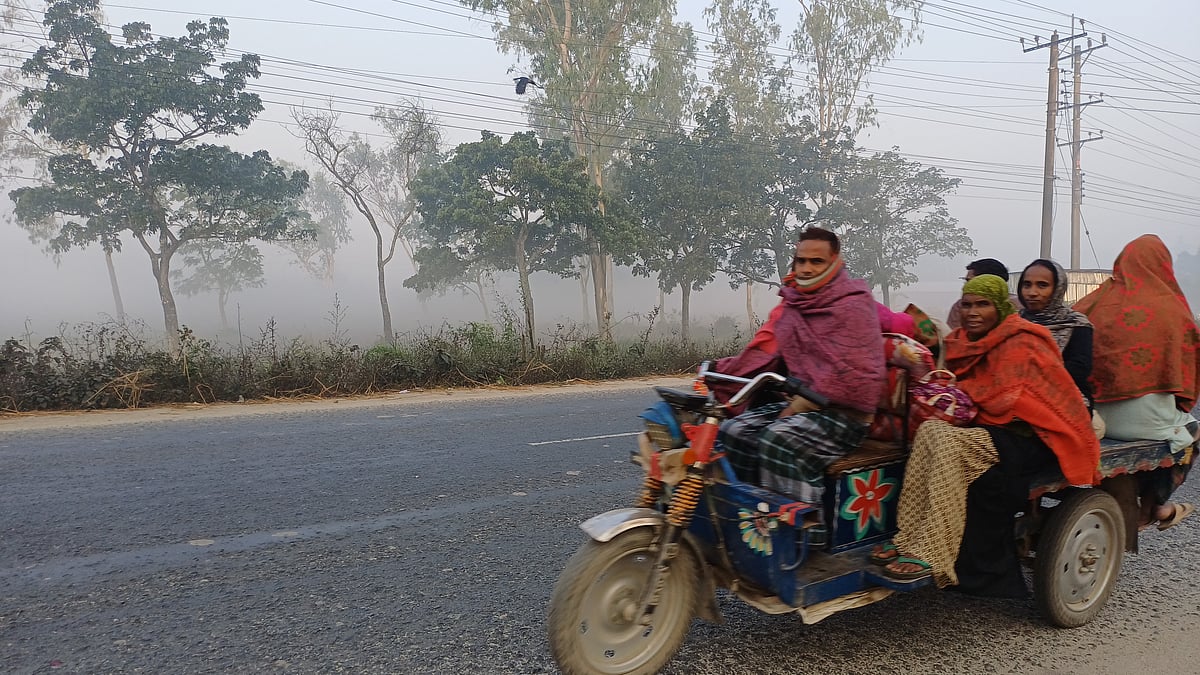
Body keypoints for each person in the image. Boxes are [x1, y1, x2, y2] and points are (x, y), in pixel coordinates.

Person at [876, 274, 1100, 590]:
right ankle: (907, 538)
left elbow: (1005, 395)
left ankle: (932, 553)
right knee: (930, 430)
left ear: (999, 308)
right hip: (986, 427)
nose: (972, 312)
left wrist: (957, 392)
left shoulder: (1023, 339)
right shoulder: (959, 341)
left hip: (1029, 434)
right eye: (967, 304)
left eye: (983, 304)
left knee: (943, 438)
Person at [713, 227, 885, 509]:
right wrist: (725, 371)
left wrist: (798, 406)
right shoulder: (796, 303)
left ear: (835, 262)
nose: (805, 269)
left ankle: (802, 532)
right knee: (734, 431)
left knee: (778, 440)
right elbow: (767, 352)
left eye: (816, 262)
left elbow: (859, 381)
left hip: (846, 417)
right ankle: (746, 515)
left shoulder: (853, 305)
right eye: (800, 261)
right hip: (802, 405)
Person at [1074, 234, 1200, 530]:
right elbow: (1190, 366)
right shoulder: (1172, 307)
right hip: (1147, 423)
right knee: (1188, 435)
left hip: (1088, 416)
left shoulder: (1094, 301)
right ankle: (1157, 506)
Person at [1017, 258, 1095, 410]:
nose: (1032, 292)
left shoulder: (1076, 323)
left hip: (1067, 400)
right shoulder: (1014, 323)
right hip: (1017, 398)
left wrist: (1032, 375)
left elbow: (1079, 369)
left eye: (1042, 285)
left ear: (1058, 289)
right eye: (1027, 285)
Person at [946, 258, 1020, 329]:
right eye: (967, 306)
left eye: (983, 304)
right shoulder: (961, 305)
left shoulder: (1020, 307)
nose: (972, 313)